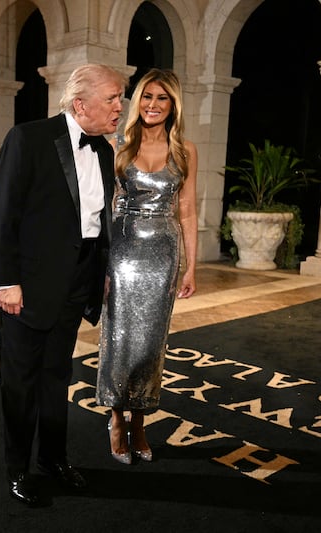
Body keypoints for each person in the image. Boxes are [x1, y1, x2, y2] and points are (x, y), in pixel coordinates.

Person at [0, 64, 126, 505]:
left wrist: (99, 275)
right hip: (24, 289)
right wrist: (6, 282)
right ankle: (17, 469)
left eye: (121, 98)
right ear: (81, 104)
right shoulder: (27, 139)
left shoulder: (103, 152)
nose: (121, 107)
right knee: (20, 383)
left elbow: (96, 223)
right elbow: (0, 215)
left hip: (75, 285)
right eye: (112, 99)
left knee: (56, 378)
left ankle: (54, 459)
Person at [95, 68, 198, 465]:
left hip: (163, 253)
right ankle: (116, 418)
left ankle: (140, 420)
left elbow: (187, 210)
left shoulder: (185, 149)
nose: (153, 105)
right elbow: (103, 208)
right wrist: (101, 263)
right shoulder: (118, 145)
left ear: (173, 105)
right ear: (137, 101)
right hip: (121, 251)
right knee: (119, 339)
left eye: (162, 98)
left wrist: (190, 267)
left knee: (152, 344)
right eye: (148, 97)